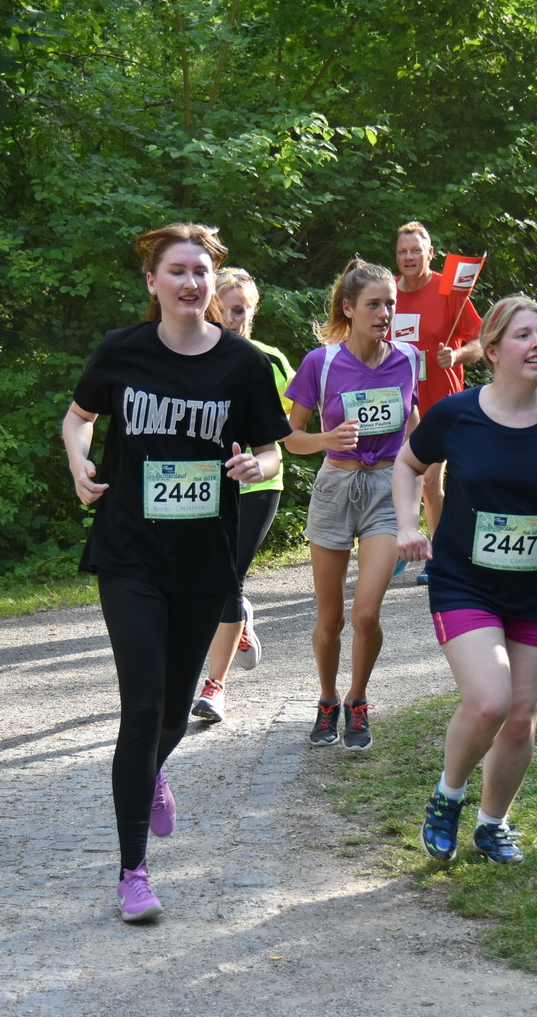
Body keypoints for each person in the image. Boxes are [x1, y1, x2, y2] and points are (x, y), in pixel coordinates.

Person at [62, 223, 291, 922]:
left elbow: (273, 452)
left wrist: (255, 463)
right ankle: (132, 872)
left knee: (170, 711)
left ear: (212, 282)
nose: (191, 282)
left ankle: (153, 767)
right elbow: (78, 418)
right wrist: (79, 462)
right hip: (129, 551)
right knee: (142, 706)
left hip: (201, 559)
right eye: (178, 271)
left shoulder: (243, 363)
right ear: (153, 282)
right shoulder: (122, 350)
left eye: (201, 271)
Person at [393, 295, 537, 864]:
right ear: (491, 350)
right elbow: (408, 463)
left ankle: (492, 824)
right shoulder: (457, 413)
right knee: (490, 701)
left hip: (534, 589)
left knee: (521, 717)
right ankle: (447, 796)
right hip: (464, 582)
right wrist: (408, 525)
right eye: (523, 335)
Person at [284, 259, 423, 752]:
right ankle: (327, 700)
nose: (385, 313)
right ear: (349, 308)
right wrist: (327, 438)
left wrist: (417, 498)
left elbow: (415, 429)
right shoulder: (320, 363)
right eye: (374, 304)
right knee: (330, 620)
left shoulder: (408, 358)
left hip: (387, 488)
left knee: (365, 615)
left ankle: (357, 699)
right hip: (335, 488)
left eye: (391, 304)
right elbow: (290, 437)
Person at [192, 268, 296, 722]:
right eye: (226, 310)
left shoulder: (268, 360)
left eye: (242, 310)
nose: (234, 319)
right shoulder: (189, 357)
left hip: (258, 484)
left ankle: (214, 686)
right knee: (201, 579)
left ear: (254, 312)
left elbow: (299, 415)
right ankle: (239, 622)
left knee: (226, 579)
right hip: (200, 485)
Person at [392, 222, 485, 578]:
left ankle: (440, 555)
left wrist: (456, 356)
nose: (409, 257)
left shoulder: (449, 292)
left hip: (439, 404)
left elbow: (481, 340)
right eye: (403, 252)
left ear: (430, 253)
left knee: (430, 483)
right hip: (395, 404)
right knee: (391, 480)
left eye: (416, 250)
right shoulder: (387, 293)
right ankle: (400, 541)